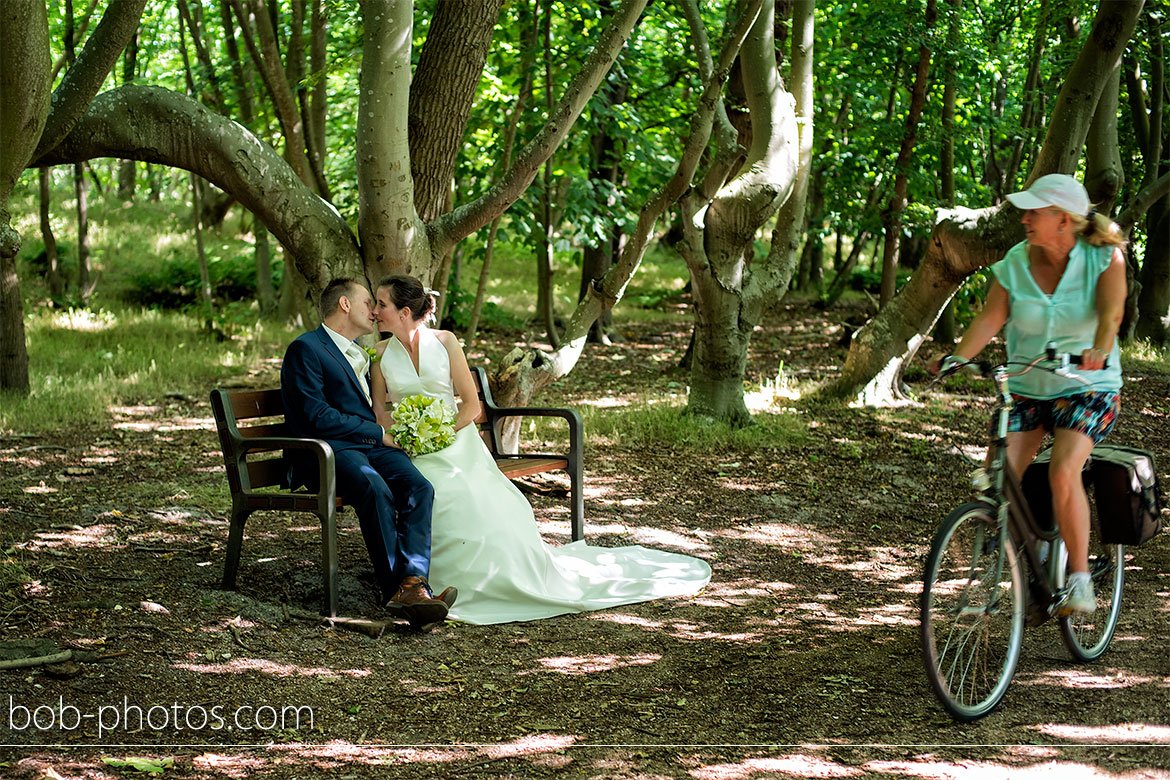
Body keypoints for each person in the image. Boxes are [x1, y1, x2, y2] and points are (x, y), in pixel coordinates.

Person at [369, 274, 712, 625]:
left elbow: (471, 406)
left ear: (404, 310)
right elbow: (380, 414)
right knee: (432, 491)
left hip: (456, 442)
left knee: (469, 494)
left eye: (381, 304)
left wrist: (441, 434)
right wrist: (407, 438)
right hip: (410, 447)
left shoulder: (445, 342)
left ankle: (478, 583)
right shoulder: (379, 354)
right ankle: (421, 588)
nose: (375, 311)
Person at [931, 174, 1126, 615]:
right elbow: (989, 319)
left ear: (1063, 220)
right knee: (996, 480)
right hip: (1027, 385)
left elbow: (1112, 313)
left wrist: (1097, 348)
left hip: (1087, 385)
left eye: (1033, 211)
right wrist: (957, 358)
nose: (1024, 218)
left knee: (1063, 470)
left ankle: (1079, 582)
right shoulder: (1016, 261)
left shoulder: (1104, 258)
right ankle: (1015, 568)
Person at [280, 278, 455, 630]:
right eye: (366, 302)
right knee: (375, 489)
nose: (373, 311)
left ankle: (413, 584)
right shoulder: (307, 348)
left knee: (419, 487)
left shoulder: (362, 351)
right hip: (327, 452)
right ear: (345, 305)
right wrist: (378, 433)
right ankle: (403, 592)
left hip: (368, 448)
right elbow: (316, 416)